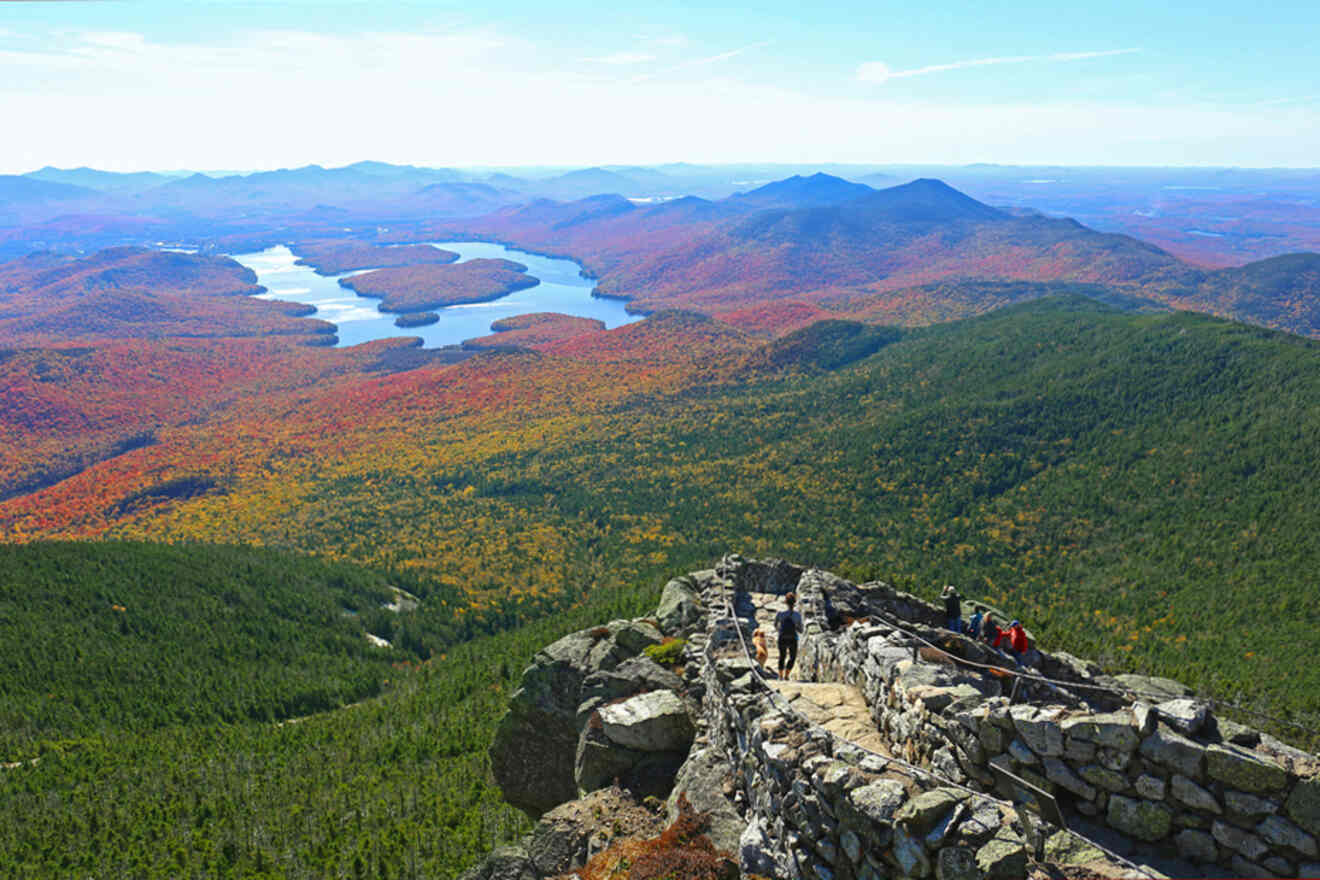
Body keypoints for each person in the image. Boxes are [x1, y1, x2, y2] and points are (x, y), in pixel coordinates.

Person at [775, 592, 804, 679]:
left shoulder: (780, 613)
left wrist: (779, 630)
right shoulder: (797, 615)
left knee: (782, 656)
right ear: (794, 602)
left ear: (785, 602)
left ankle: (780, 676)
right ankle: (787, 675)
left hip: (782, 637)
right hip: (793, 638)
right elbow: (800, 629)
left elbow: (775, 624)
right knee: (792, 657)